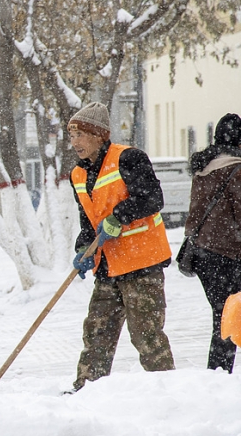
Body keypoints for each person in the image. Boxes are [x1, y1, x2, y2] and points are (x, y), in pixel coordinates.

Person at [68, 102, 175, 392]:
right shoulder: (77, 174)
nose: (74, 142)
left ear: (99, 135)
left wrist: (119, 217)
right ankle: (87, 392)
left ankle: (168, 394)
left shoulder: (129, 158)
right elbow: (88, 221)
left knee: (146, 336)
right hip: (108, 266)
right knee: (96, 333)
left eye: (79, 134)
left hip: (141, 263)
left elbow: (152, 198)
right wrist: (83, 249)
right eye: (71, 135)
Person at [186, 113, 241, 372]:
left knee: (222, 316)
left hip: (203, 254)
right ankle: (219, 373)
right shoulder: (236, 169)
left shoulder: (204, 169)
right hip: (228, 255)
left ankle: (218, 373)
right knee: (228, 317)